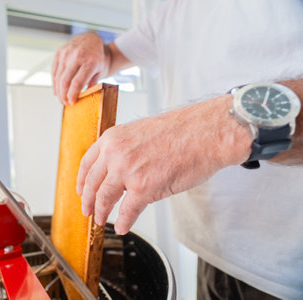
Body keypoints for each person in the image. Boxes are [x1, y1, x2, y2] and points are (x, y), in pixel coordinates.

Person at [51, 1, 303, 299]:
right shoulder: (171, 10)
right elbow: (109, 56)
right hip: (210, 250)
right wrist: (91, 41)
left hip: (286, 270)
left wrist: (206, 133)